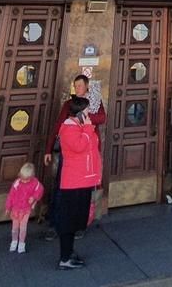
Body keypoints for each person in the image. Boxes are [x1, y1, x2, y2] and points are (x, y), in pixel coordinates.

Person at [43, 74, 106, 240]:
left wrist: (84, 116)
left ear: (87, 87)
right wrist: (48, 149)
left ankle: (80, 225)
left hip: (87, 155)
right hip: (70, 155)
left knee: (84, 194)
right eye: (75, 85)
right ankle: (55, 224)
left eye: (80, 85)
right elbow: (58, 125)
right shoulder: (69, 105)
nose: (77, 88)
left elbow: (102, 118)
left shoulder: (93, 103)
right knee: (61, 190)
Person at [55, 96, 102, 269]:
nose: (89, 114)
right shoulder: (69, 129)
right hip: (74, 181)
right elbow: (80, 146)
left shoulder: (81, 127)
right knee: (69, 220)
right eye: (87, 111)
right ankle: (65, 258)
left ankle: (69, 252)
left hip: (83, 179)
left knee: (76, 220)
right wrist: (88, 128)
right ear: (79, 113)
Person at [4, 162, 44, 253]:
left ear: (32, 177)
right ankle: (14, 241)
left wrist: (34, 197)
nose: (24, 181)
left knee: (23, 228)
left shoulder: (35, 183)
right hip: (15, 209)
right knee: (15, 227)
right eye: (22, 179)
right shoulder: (17, 183)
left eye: (27, 180)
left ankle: (21, 243)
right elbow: (11, 195)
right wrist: (8, 207)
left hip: (26, 209)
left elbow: (40, 190)